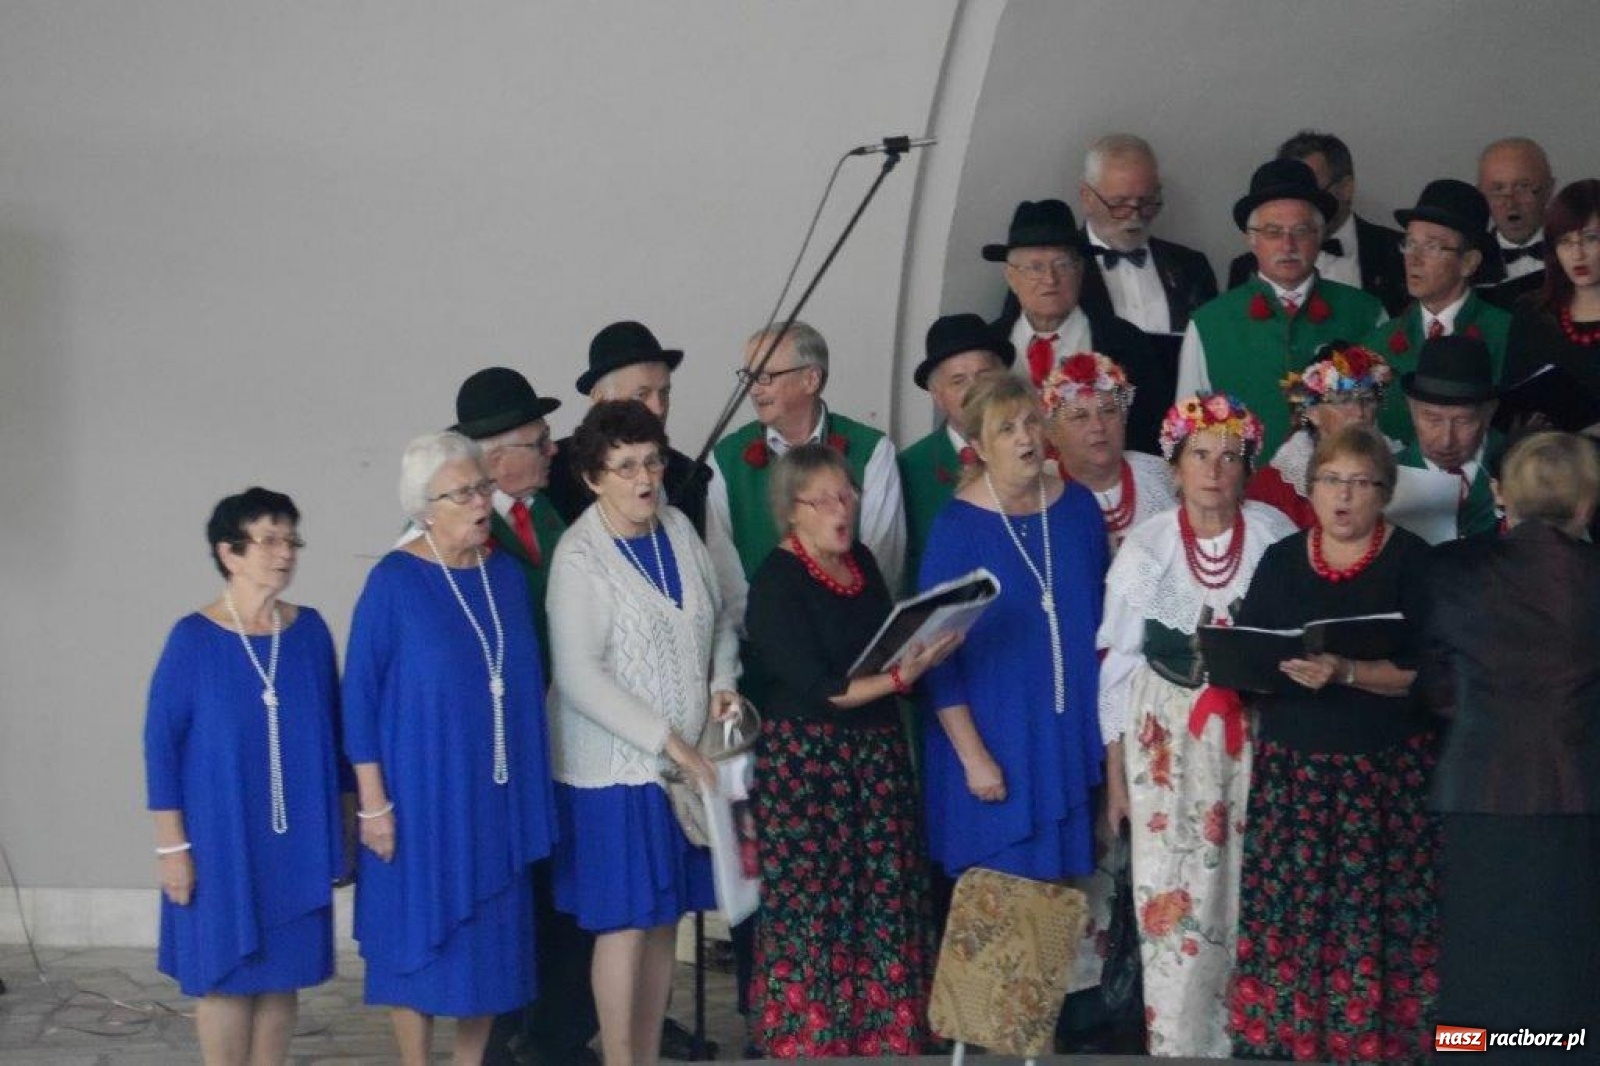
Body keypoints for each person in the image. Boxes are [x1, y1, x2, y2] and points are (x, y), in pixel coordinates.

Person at [344, 431, 557, 1066]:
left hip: (496, 797)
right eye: (463, 491)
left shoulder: (505, 577)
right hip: (419, 801)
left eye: (482, 487)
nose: (479, 501)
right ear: (424, 506)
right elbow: (358, 698)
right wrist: (372, 804)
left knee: (489, 953)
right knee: (415, 944)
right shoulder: (393, 582)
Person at [1229, 424, 1439, 1062]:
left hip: (1381, 778)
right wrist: (1234, 661)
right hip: (1296, 776)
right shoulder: (1283, 558)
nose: (1343, 497)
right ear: (1310, 488)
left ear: (1385, 492)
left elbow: (1435, 674)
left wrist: (1348, 672)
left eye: (1359, 483)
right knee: (1294, 914)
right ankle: (1292, 1036)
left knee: (1375, 916)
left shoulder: (1414, 561)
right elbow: (1255, 657)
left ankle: (1380, 1038)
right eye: (1330, 481)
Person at [1098, 393, 1296, 1056]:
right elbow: (1117, 662)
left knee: (1248, 887)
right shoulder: (1147, 548)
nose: (1215, 470)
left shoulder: (1272, 535)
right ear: (1175, 465)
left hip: (1253, 736)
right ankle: (1182, 1045)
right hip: (1167, 741)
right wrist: (1117, 777)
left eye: (1230, 457)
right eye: (1201, 455)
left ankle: (1251, 1039)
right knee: (1175, 895)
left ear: (1246, 468)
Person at [744, 443, 957, 1058]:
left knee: (884, 893)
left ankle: (887, 1027)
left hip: (874, 759)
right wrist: (901, 680)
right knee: (818, 903)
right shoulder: (776, 582)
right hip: (812, 769)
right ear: (793, 511)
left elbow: (882, 644)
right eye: (827, 498)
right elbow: (821, 688)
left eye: (848, 493)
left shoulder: (860, 561)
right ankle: (814, 1033)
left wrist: (920, 650)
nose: (844, 507)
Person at [545, 400, 741, 1066]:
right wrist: (670, 740)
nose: (644, 478)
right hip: (614, 773)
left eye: (652, 460)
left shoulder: (681, 528)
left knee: (662, 918)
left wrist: (722, 679)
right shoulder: (581, 558)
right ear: (594, 477)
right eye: (624, 466)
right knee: (625, 924)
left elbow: (722, 616)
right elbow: (578, 675)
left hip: (677, 768)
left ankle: (647, 1056)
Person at [144, 488, 347, 1066]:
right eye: (269, 540)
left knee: (282, 975)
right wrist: (172, 847)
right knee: (227, 976)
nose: (284, 553)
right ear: (229, 553)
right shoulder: (192, 639)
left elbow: (335, 738)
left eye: (291, 540)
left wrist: (343, 835)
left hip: (295, 839)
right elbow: (160, 747)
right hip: (220, 841)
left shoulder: (308, 633)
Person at [1422, 431, 1600, 1037]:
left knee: (1478, 971)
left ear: (1509, 499)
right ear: (1585, 504)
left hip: (1479, 794)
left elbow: (1436, 687)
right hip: (1580, 799)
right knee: (1571, 978)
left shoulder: (1455, 575)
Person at [919, 374, 1108, 886]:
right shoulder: (956, 527)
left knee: (1061, 924)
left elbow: (1104, 630)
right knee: (997, 933)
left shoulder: (1079, 510)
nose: (1026, 438)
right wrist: (974, 757)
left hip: (1065, 739)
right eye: (1006, 430)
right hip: (998, 743)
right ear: (978, 446)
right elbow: (936, 660)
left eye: (1031, 422)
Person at [1177, 159, 1385, 457]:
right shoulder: (1210, 324)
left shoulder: (1366, 312)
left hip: (1344, 492)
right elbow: (1190, 432)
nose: (1288, 245)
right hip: (1245, 495)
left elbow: (1386, 419)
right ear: (1251, 239)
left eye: (1301, 231)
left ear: (1320, 235)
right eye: (1273, 232)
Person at [706, 320, 906, 628]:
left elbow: (883, 558)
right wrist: (771, 632)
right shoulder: (726, 456)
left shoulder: (872, 451)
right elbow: (722, 565)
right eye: (749, 376)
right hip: (759, 644)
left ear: (811, 379)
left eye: (765, 376)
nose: (754, 389)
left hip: (848, 639)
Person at [986, 198, 1166, 453]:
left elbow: (1149, 433)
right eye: (1035, 267)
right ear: (1011, 277)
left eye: (1062, 264)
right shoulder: (989, 347)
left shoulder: (1126, 343)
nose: (1050, 279)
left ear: (1080, 270)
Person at [1368, 180, 1510, 442]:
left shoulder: (1506, 333)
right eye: (1409, 244)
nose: (1414, 258)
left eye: (1432, 246)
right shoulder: (1380, 341)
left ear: (1468, 262)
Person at [545, 320, 712, 537]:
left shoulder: (687, 475)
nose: (658, 408)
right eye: (641, 395)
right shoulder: (554, 473)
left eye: (664, 393)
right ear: (599, 398)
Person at [1227, 131, 1407, 315]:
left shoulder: (1398, 251)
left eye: (1310, 193)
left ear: (1346, 188)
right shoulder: (1245, 268)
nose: (1295, 206)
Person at [899, 312, 1014, 593]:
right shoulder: (909, 468)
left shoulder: (1034, 451)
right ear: (938, 396)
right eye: (958, 381)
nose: (975, 389)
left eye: (984, 375)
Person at [1076, 133, 1219, 338]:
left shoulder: (1191, 266)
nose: (1135, 215)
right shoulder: (1055, 270)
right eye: (1119, 203)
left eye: (1146, 201)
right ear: (1087, 197)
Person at [1246, 342, 1395, 529]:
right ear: (1312, 412)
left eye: (1367, 400)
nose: (1359, 413)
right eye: (1344, 400)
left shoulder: (1401, 466)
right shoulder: (1271, 487)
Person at [1042, 350, 1175, 552]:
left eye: (1109, 412)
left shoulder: (1161, 474)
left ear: (1124, 418)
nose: (1098, 426)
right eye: (1080, 417)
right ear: (1053, 434)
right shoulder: (1038, 487)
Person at [1504, 178, 1600, 405]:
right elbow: (1512, 399)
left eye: (1590, 238)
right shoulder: (1532, 312)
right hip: (1549, 439)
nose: (1577, 254)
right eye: (1565, 241)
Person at [1396, 336, 1503, 539]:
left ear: (1489, 412)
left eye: (1463, 421)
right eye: (1433, 420)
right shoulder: (1385, 475)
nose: (1447, 440)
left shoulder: (1520, 470)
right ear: (1411, 408)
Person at [1475, 137, 1556, 309]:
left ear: (1549, 189)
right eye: (1498, 189)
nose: (1510, 202)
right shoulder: (1469, 263)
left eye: (1523, 187)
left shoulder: (1576, 252)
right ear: (1481, 196)